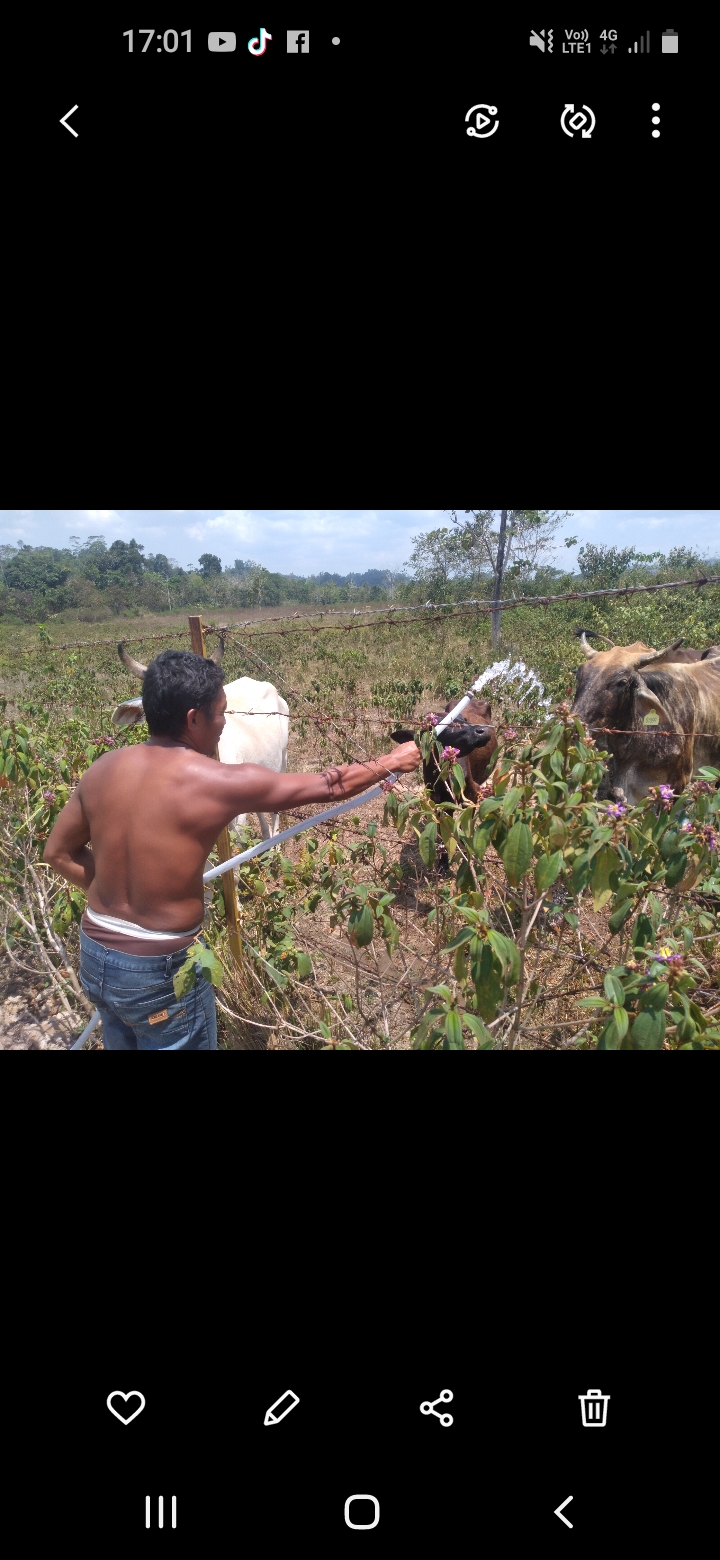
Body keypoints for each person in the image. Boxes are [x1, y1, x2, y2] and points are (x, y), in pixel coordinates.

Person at [43, 649, 421, 1050]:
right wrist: (392, 760)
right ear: (193, 719)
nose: (224, 725)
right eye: (221, 713)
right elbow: (331, 786)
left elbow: (57, 854)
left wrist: (120, 902)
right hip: (161, 972)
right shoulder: (213, 782)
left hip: (96, 956)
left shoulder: (101, 768)